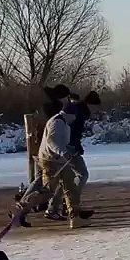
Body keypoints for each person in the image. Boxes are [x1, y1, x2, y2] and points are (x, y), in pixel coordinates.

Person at [14, 104, 91, 229]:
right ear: (69, 114)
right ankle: (21, 210)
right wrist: (64, 153)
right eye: (74, 115)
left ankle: (75, 218)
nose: (75, 118)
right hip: (50, 161)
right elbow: (52, 142)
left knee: (70, 188)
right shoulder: (57, 122)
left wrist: (71, 150)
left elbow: (61, 142)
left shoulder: (64, 122)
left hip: (60, 161)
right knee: (48, 191)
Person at [44, 90, 100, 220]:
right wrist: (74, 148)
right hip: (68, 150)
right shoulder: (79, 113)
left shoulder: (77, 110)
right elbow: (72, 133)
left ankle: (59, 206)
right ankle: (69, 205)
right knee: (80, 175)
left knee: (67, 179)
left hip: (67, 149)